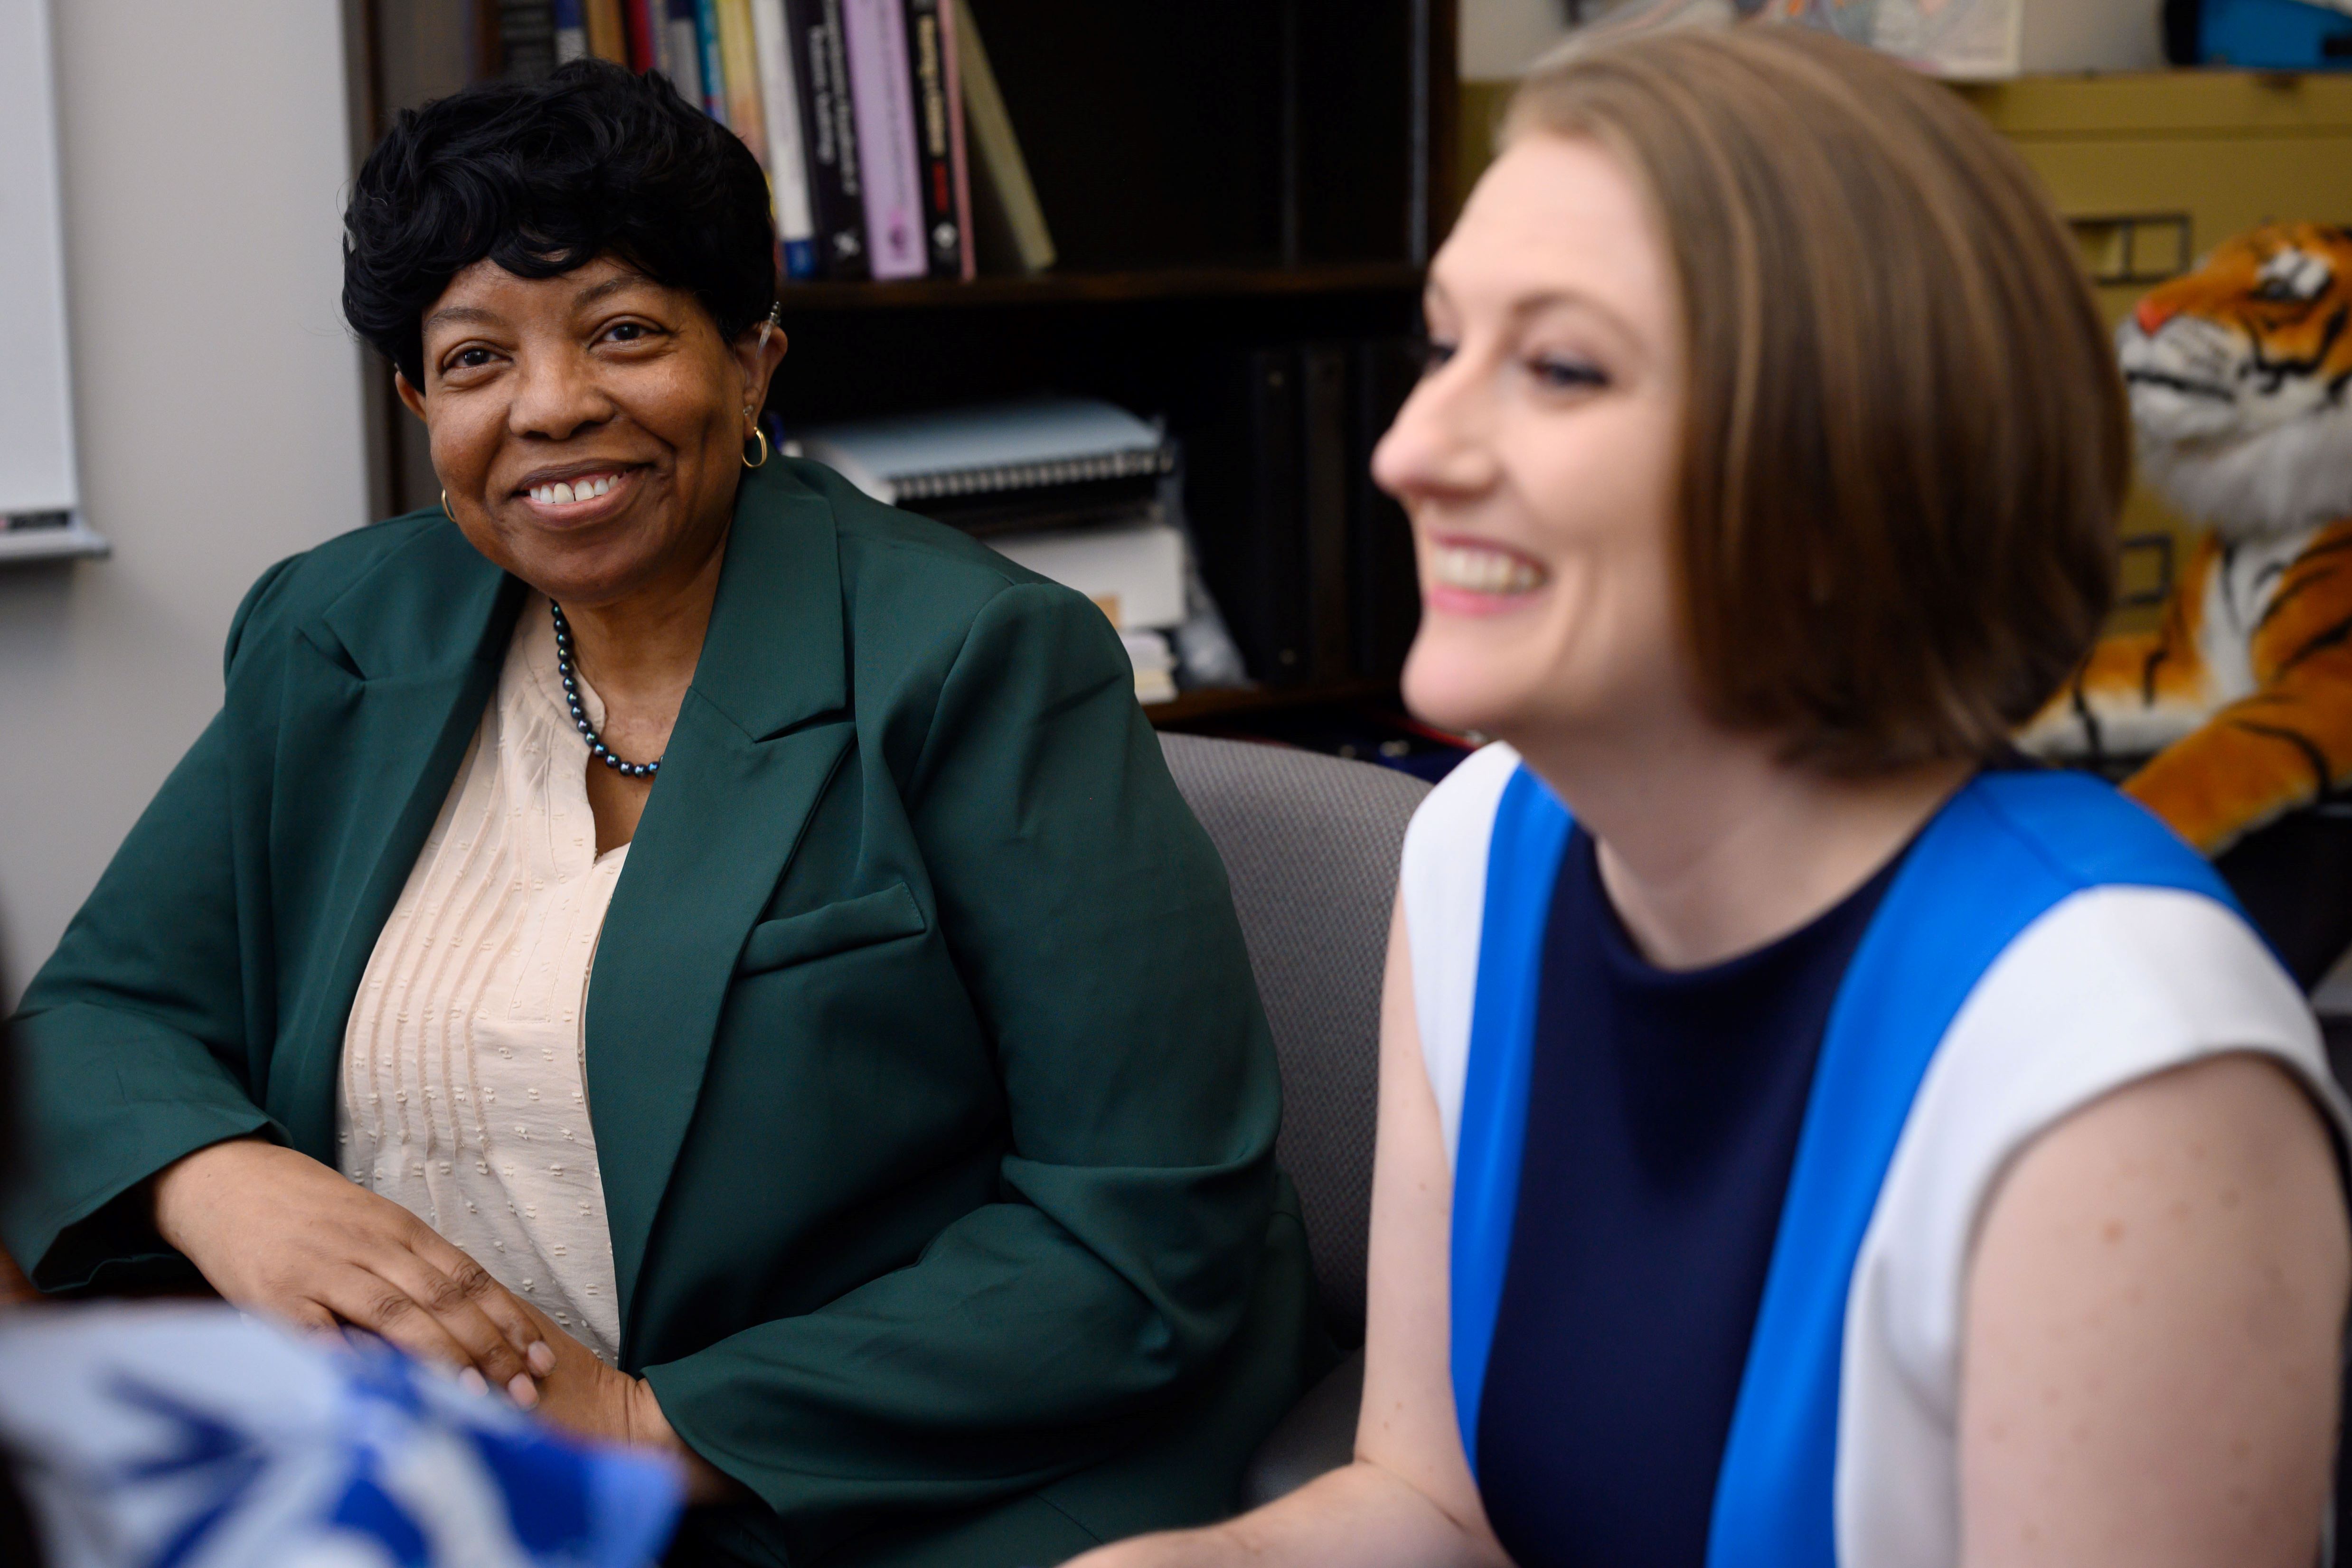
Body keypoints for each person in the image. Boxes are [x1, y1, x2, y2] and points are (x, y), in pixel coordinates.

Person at [1, 60, 1317, 1568]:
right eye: (479, 358)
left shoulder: (979, 663)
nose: (554, 406)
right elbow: (96, 1018)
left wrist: (644, 1424)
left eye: (624, 334)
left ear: (751, 363)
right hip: (422, 1466)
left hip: (845, 1484)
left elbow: (1143, 1228)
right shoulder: (339, 631)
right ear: (420, 401)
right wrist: (229, 1187)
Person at [1071, 26, 2350, 1568]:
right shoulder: (1478, 851)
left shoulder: (2117, 1063)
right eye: (1441, 345)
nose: (1410, 450)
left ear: (1848, 466)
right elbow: (1431, 1506)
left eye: (1557, 367)